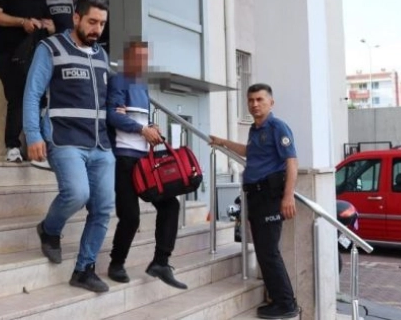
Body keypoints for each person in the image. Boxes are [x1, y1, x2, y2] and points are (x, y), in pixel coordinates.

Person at [23, 0, 114, 293]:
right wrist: (33, 134)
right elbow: (32, 93)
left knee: (103, 208)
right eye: (92, 22)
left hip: (100, 144)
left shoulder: (101, 56)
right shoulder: (50, 48)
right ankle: (50, 229)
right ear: (76, 18)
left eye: (102, 24)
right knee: (76, 193)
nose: (97, 29)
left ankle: (84, 269)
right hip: (64, 139)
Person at [209, 83, 300, 319]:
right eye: (251, 100)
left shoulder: (278, 127)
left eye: (260, 99)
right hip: (255, 197)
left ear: (271, 102)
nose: (255, 104)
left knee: (269, 252)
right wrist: (223, 142)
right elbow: (250, 152)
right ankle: (279, 300)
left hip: (270, 196)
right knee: (262, 250)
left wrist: (288, 195)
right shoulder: (255, 129)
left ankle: (286, 304)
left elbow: (291, 162)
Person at [106, 41, 188, 290]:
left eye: (145, 58)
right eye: (137, 57)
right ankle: (116, 263)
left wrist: (151, 128)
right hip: (124, 159)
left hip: (144, 160)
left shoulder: (141, 86)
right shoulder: (119, 80)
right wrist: (142, 129)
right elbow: (113, 115)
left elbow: (137, 119)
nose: (141, 63)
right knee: (130, 217)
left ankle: (161, 262)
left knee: (170, 205)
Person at [0, 0, 54, 162]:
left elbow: (53, 25)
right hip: (8, 54)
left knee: (40, 98)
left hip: (36, 55)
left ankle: (38, 147)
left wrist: (48, 26)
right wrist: (22, 22)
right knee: (17, 96)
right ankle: (13, 146)